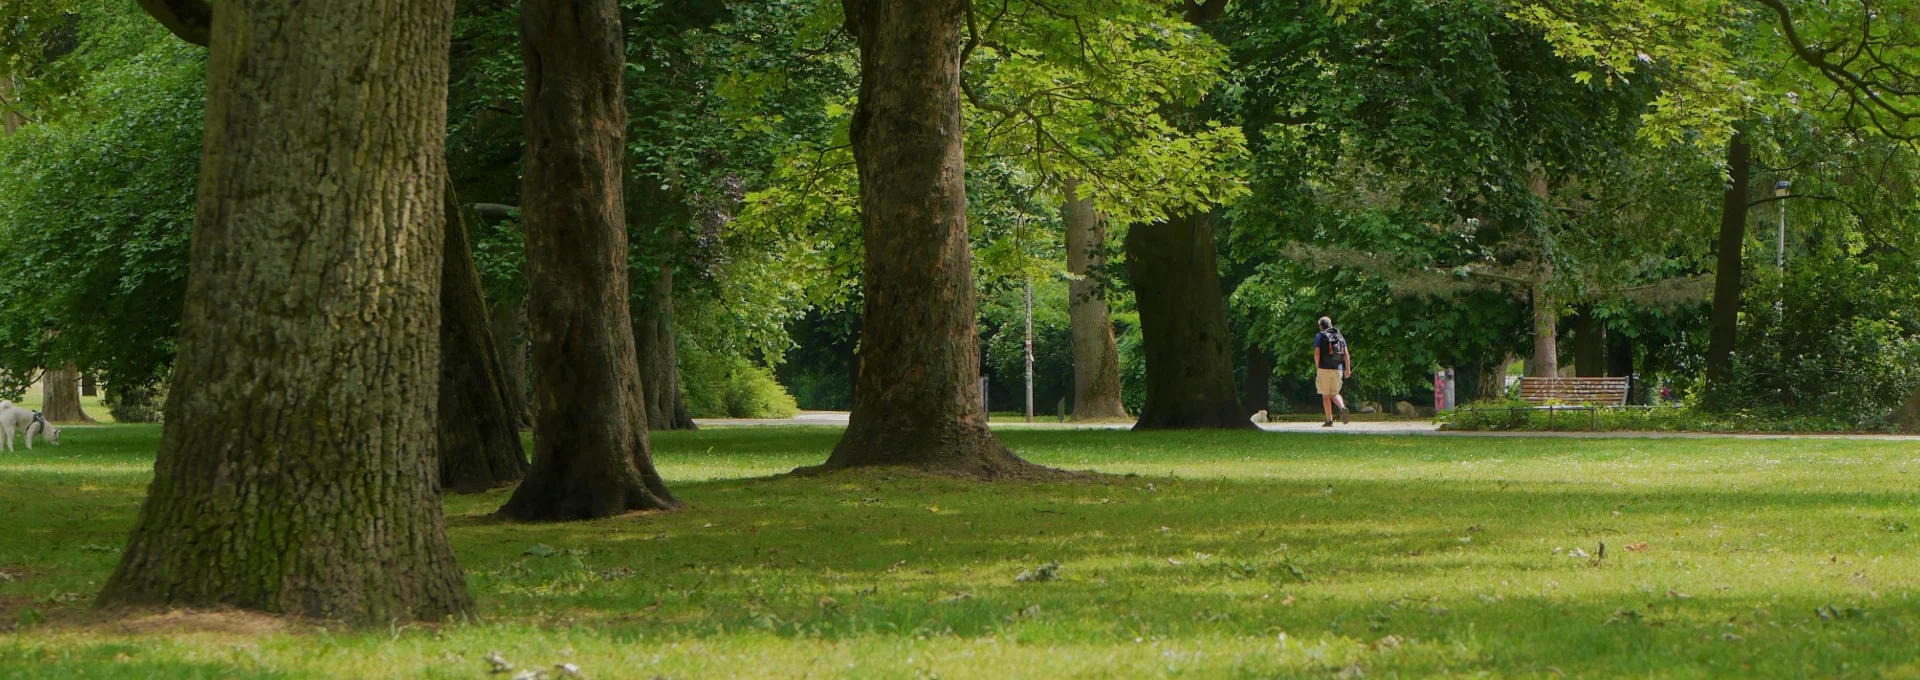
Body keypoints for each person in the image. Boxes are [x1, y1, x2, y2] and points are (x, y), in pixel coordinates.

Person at [1313, 317, 1351, 427]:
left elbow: (1317, 353)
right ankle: (1343, 407)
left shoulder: (1320, 335)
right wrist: (1347, 369)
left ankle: (1329, 420)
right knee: (1335, 393)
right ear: (1331, 324)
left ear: (1321, 326)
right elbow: (1346, 354)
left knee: (1325, 394)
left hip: (1324, 368)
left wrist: (1318, 366)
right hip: (1338, 368)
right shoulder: (1339, 336)